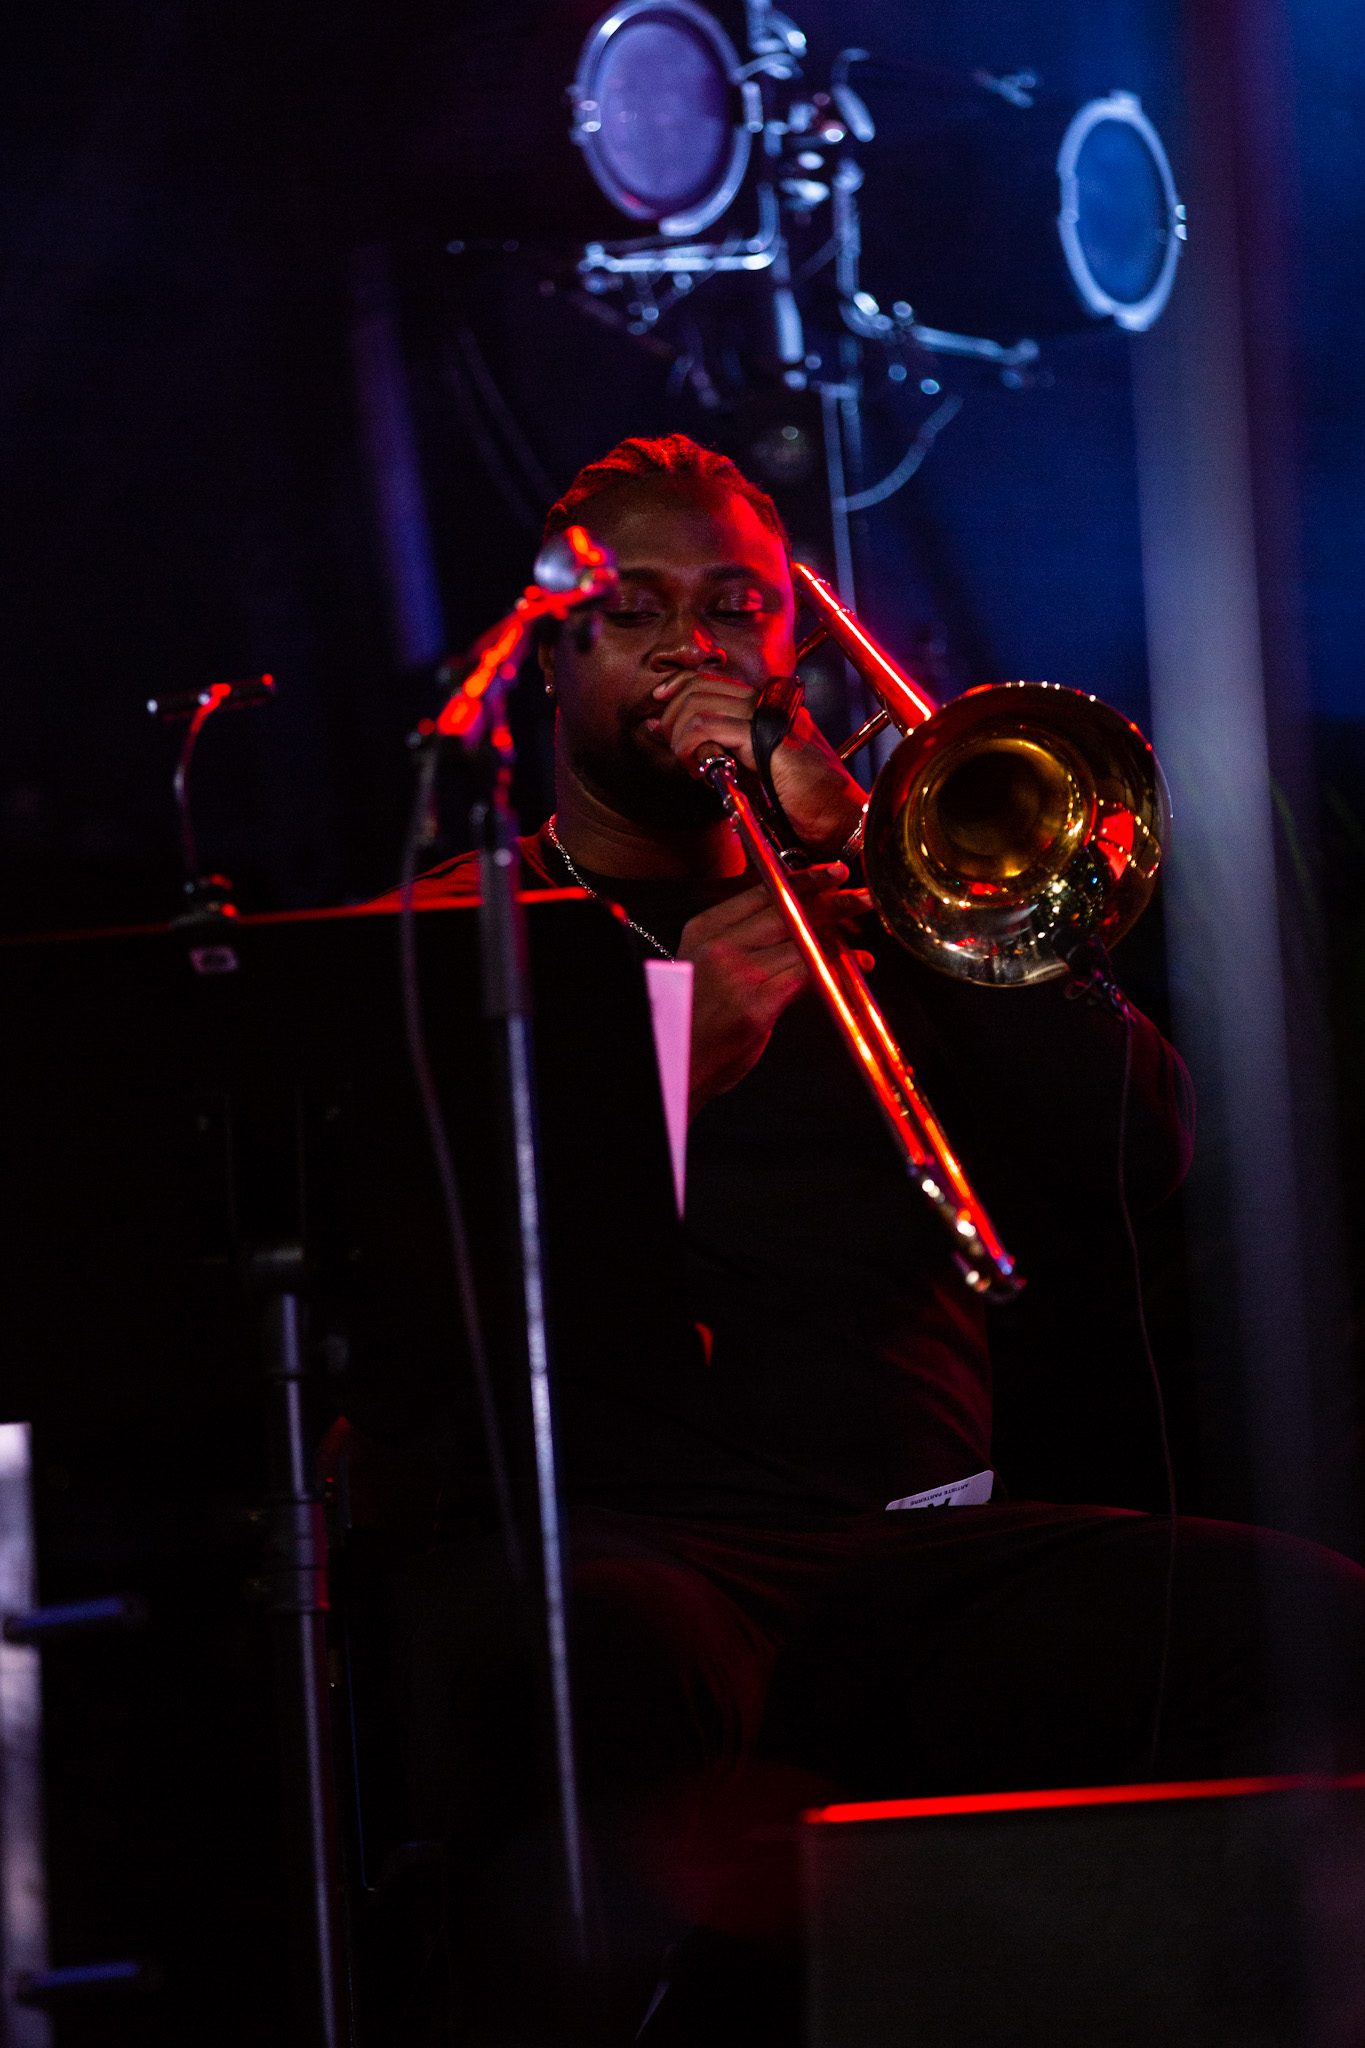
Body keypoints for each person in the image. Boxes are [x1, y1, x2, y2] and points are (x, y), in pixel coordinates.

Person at [379, 435, 1365, 2046]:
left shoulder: (886, 902)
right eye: (636, 608)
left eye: (735, 606)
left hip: (914, 1550)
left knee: (1303, 1633)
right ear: (553, 654)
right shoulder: (456, 938)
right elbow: (412, 1279)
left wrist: (894, 865)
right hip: (642, 1548)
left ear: (790, 644)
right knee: (585, 1657)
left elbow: (1138, 1156)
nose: (690, 647)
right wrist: (679, 1048)